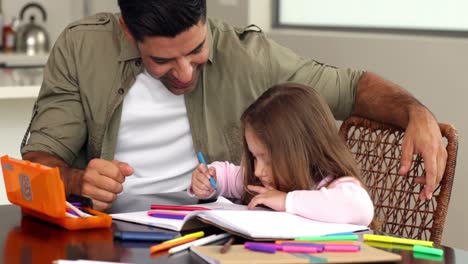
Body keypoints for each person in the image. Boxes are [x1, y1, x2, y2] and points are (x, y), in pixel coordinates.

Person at [21, 0, 446, 212]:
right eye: (162, 60)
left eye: (197, 50)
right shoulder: (81, 48)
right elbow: (39, 161)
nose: (185, 72)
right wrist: (77, 180)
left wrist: (415, 111)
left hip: (218, 243)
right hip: (105, 241)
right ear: (128, 31)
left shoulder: (248, 55)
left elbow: (350, 87)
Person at [190, 83, 374, 226]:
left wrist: (287, 201)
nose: (258, 171)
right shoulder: (264, 183)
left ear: (304, 151)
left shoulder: (333, 185)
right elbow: (229, 176)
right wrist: (210, 178)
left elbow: (360, 208)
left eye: (268, 160)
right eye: (255, 158)